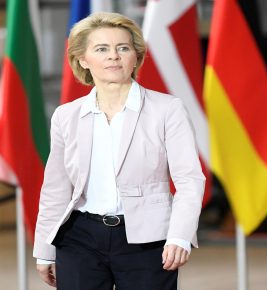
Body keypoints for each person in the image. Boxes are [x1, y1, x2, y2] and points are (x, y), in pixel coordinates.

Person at [33, 12, 205, 290]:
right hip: (79, 237)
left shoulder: (167, 109)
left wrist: (179, 236)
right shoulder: (66, 116)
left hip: (148, 239)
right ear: (82, 60)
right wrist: (44, 249)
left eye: (122, 48)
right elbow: (56, 187)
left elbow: (189, 179)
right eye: (101, 49)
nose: (113, 56)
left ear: (135, 57)